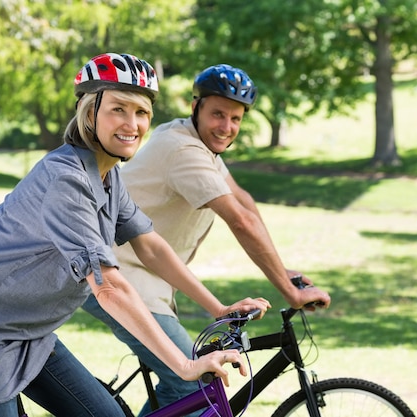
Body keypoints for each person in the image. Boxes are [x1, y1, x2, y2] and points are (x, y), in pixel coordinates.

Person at [0, 54, 270, 417]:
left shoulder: (107, 176)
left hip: (31, 333)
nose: (132, 124)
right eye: (118, 109)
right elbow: (109, 288)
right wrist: (184, 366)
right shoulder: (66, 179)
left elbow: (150, 247)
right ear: (90, 113)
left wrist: (218, 309)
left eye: (141, 113)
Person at [82, 64, 331, 416]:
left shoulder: (201, 146)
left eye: (236, 119)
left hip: (146, 278)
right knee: (194, 381)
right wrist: (290, 292)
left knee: (184, 393)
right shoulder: (183, 150)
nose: (226, 127)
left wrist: (283, 270)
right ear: (196, 106)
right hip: (117, 276)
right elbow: (239, 221)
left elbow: (242, 200)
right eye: (217, 114)